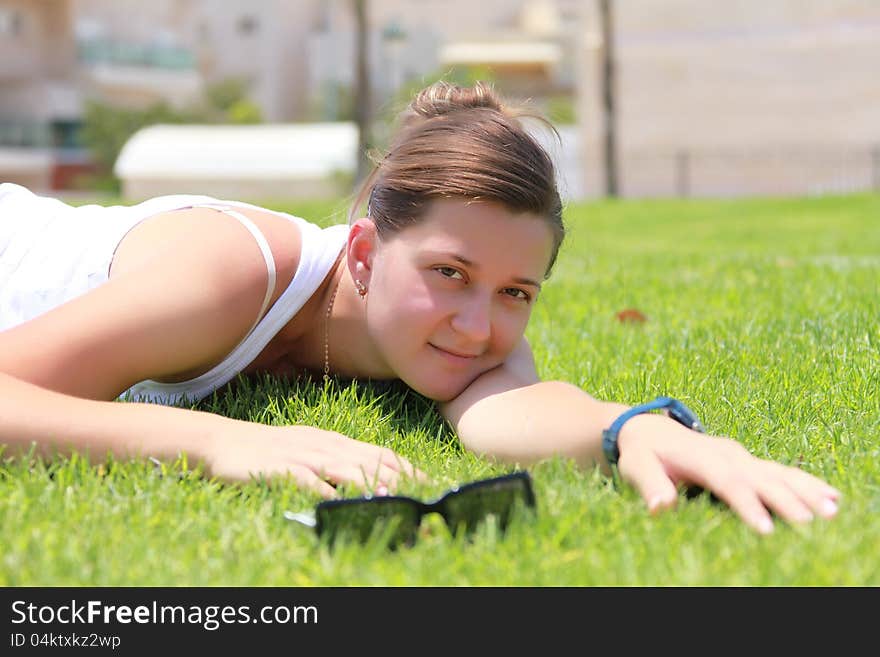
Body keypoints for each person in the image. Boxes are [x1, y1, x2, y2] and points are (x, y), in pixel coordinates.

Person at [0, 81, 840, 534]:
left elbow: (510, 412)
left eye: (517, 293)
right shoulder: (225, 272)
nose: (480, 327)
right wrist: (224, 440)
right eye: (449, 272)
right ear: (364, 252)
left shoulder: (462, 341)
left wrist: (640, 428)